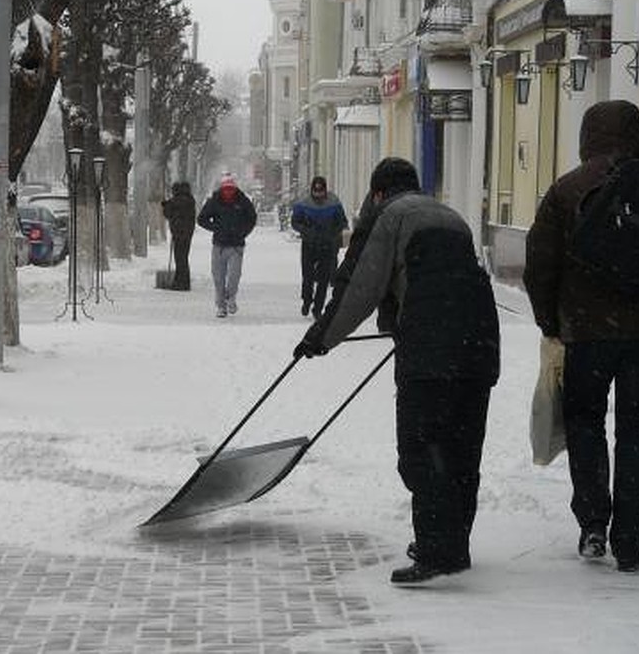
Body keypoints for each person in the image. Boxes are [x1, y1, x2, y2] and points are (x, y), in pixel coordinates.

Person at [523, 100, 639, 572]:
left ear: (588, 136)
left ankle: (592, 524)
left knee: (586, 423)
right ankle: (630, 537)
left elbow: (540, 264)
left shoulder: (568, 189)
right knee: (637, 431)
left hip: (585, 332)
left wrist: (551, 323)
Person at [295, 158, 500, 585]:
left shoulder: (387, 217)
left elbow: (360, 286)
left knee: (422, 448)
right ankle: (452, 544)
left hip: (430, 346)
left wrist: (320, 338)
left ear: (378, 193)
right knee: (462, 447)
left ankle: (435, 551)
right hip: (479, 343)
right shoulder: (452, 217)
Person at [197, 174, 257, 318]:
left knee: (234, 277)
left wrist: (243, 232)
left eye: (231, 189)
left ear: (235, 189)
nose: (228, 192)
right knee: (218, 277)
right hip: (219, 246)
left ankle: (230, 298)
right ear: (221, 189)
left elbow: (252, 218)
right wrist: (216, 228)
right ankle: (221, 306)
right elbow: (201, 219)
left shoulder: (242, 201)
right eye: (226, 189)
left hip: (237, 246)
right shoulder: (214, 201)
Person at [291, 176, 349, 319]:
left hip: (327, 245)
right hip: (309, 244)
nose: (318, 195)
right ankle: (306, 299)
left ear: (325, 190)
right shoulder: (303, 203)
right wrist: (306, 230)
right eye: (316, 191)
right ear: (312, 190)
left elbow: (342, 221)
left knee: (324, 278)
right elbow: (295, 222)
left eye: (321, 191)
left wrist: (332, 233)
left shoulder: (334, 202)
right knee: (308, 276)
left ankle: (318, 307)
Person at [161, 181, 196, 291]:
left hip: (178, 233)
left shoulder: (175, 201)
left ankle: (180, 283)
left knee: (179, 258)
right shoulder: (191, 201)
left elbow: (167, 213)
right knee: (184, 257)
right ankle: (185, 282)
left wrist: (165, 205)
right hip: (188, 233)